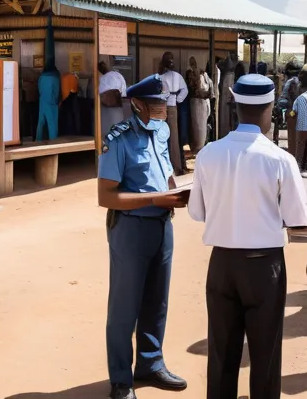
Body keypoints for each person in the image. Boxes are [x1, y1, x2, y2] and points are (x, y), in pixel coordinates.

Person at [188, 74, 307, 399]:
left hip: (222, 264)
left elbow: (197, 213)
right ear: (270, 109)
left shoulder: (208, 154)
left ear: (235, 106)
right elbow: (298, 219)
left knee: (222, 351)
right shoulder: (281, 159)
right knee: (265, 354)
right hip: (264, 266)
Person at [98, 74, 190, 399]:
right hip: (130, 228)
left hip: (163, 226)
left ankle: (151, 364)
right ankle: (121, 380)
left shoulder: (161, 131)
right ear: (137, 104)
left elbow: (164, 169)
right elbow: (106, 196)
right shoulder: (118, 138)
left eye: (164, 104)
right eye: (155, 105)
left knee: (157, 301)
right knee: (125, 308)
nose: (162, 110)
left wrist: (176, 191)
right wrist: (153, 199)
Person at [159, 52, 188, 175]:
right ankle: (176, 166)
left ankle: (166, 165)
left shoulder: (160, 77)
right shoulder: (178, 76)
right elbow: (185, 90)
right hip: (173, 107)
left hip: (162, 107)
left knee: (162, 136)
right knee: (174, 138)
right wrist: (178, 99)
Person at [185, 57, 212, 153]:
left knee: (201, 125)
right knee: (197, 125)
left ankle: (200, 145)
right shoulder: (190, 74)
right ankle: (198, 146)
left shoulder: (203, 73)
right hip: (196, 102)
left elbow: (209, 87)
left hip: (202, 101)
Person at [98, 61, 128, 137]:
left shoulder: (103, 79)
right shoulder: (118, 75)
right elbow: (124, 90)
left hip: (107, 109)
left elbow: (100, 94)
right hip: (121, 106)